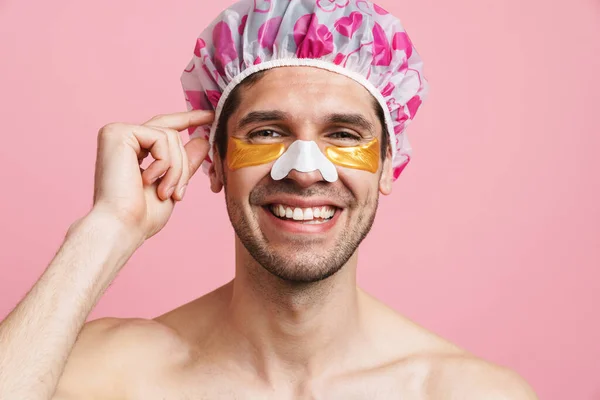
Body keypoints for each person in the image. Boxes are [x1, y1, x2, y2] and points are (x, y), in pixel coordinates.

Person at [0, 0, 538, 398]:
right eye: (266, 132)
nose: (306, 171)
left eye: (344, 136)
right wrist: (108, 229)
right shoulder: (107, 376)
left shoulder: (468, 391)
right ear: (216, 161)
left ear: (386, 165)